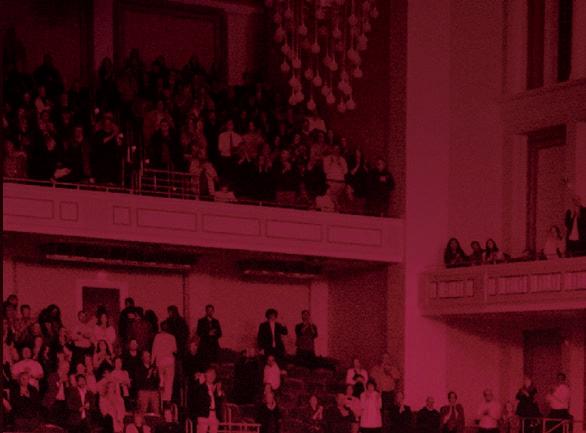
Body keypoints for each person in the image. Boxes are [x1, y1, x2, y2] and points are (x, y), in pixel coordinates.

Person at [370, 352, 400, 424]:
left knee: (391, 411)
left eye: (387, 358)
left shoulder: (393, 368)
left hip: (390, 392)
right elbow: (372, 377)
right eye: (384, 358)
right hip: (380, 393)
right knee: (380, 411)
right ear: (381, 359)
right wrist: (381, 368)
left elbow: (397, 377)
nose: (386, 359)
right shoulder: (376, 368)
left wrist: (390, 371)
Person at [191, 367, 224, 433]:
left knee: (214, 431)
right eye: (210, 375)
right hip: (203, 414)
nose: (212, 377)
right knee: (202, 431)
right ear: (206, 376)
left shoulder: (216, 387)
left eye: (213, 375)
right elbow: (197, 398)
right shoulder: (201, 387)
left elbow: (219, 403)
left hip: (214, 414)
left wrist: (219, 393)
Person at [151, 321, 177, 404]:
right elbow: (175, 350)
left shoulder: (157, 337)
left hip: (160, 361)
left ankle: (161, 399)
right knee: (169, 382)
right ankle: (167, 400)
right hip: (169, 361)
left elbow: (154, 350)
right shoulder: (172, 337)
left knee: (161, 381)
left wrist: (152, 362)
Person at [135, 351, 160, 415]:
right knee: (142, 412)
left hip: (153, 392)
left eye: (149, 356)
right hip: (143, 391)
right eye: (146, 356)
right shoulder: (139, 368)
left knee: (156, 412)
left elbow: (158, 381)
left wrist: (155, 375)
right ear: (142, 358)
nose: (148, 358)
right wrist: (148, 374)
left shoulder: (154, 368)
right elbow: (138, 382)